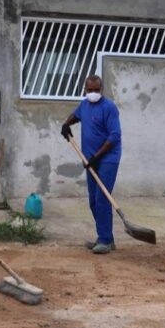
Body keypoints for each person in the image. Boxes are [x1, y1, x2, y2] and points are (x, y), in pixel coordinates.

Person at [60, 75, 122, 255]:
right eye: (90, 90)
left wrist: (97, 156)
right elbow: (76, 115)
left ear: (101, 90)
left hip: (108, 159)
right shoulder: (84, 105)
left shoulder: (109, 108)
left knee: (102, 198)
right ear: (84, 89)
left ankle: (104, 240)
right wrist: (66, 124)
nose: (93, 93)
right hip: (90, 159)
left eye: (96, 90)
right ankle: (107, 238)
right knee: (94, 201)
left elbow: (114, 136)